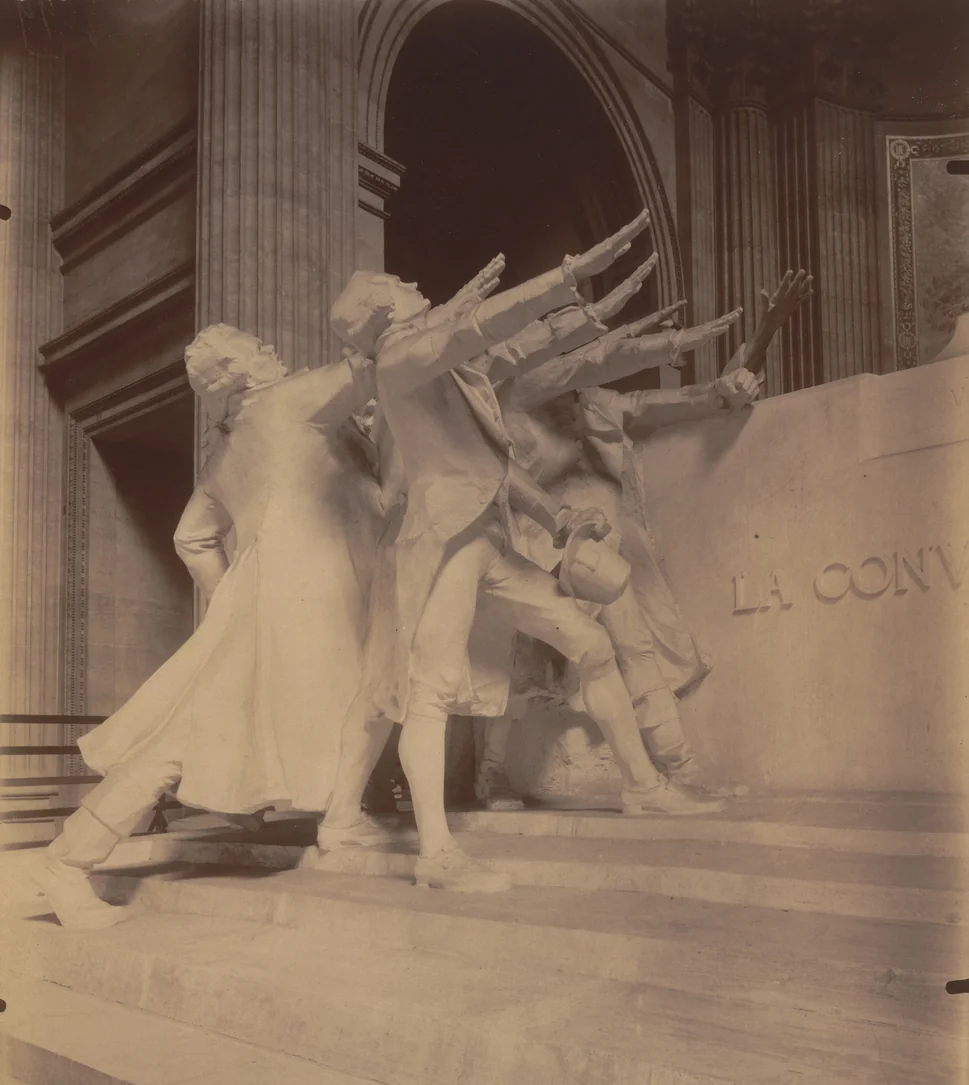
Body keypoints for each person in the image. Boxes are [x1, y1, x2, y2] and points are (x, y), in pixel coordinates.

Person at [318, 212, 744, 892]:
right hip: (442, 544)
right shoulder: (399, 359)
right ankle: (433, 855)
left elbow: (493, 457)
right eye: (393, 281)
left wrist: (556, 515)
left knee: (589, 643)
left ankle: (640, 784)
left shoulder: (443, 370)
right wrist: (568, 277)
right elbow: (475, 328)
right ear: (380, 310)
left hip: (485, 538)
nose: (407, 279)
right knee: (412, 696)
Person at [30, 324, 387, 928]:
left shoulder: (229, 448)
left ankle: (343, 814)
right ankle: (66, 863)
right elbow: (391, 365)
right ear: (236, 373)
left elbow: (192, 537)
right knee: (363, 696)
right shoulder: (295, 398)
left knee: (204, 728)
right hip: (306, 597)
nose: (272, 347)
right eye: (255, 346)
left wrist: (233, 602)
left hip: (265, 600)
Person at [474, 270, 814, 808]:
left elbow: (701, 399)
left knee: (631, 646)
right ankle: (491, 772)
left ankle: (680, 767)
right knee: (519, 657)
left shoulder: (599, 405)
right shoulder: (508, 406)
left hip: (604, 553)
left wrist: (764, 336)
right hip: (536, 550)